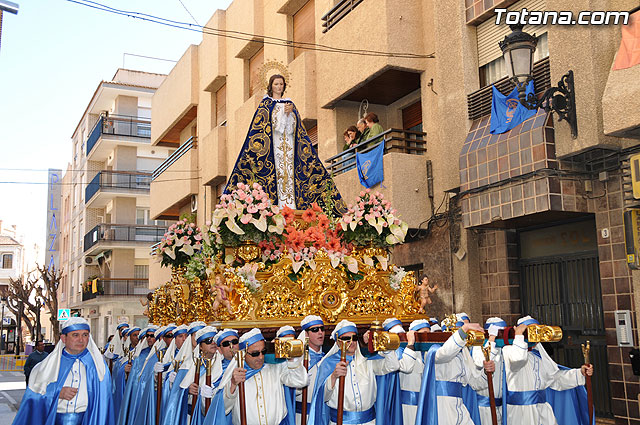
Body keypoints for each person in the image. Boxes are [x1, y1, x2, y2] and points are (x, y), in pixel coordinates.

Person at [223, 73, 346, 215]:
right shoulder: (265, 104)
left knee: (290, 173)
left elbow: (297, 128)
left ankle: (292, 205)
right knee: (277, 174)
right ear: (271, 86)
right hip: (273, 148)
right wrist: (281, 114)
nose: (279, 87)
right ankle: (277, 205)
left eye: (281, 84)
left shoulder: (290, 104)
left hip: (290, 147)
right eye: (276, 84)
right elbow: (266, 126)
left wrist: (290, 114)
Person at [12, 317, 114, 425]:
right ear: (63, 338)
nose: (81, 339)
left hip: (88, 420)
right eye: (75, 335)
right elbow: (32, 398)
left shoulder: (99, 367)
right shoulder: (46, 367)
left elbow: (105, 400)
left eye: (85, 335)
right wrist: (57, 392)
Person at [501, 316, 594, 425]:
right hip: (521, 413)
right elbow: (518, 360)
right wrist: (519, 335)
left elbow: (555, 379)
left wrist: (580, 373)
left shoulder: (539, 355)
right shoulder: (509, 351)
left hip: (543, 410)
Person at [308, 319, 400, 425]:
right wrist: (334, 376)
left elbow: (394, 366)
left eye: (354, 338)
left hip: (369, 422)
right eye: (346, 339)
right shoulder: (327, 364)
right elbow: (321, 398)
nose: (351, 342)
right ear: (338, 342)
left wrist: (383, 344)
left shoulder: (367, 360)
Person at [414, 320, 494, 425]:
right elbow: (446, 353)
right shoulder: (433, 351)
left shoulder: (463, 351)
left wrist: (486, 371)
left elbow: (475, 382)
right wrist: (463, 330)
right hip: (441, 408)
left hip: (459, 405)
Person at [224, 328, 308, 425]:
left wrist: (292, 359)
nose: (260, 357)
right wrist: (233, 384)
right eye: (255, 353)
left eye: (263, 352)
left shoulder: (275, 367)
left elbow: (301, 381)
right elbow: (224, 408)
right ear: (243, 354)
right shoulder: (235, 374)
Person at [471, 317, 506, 425]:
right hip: (484, 409)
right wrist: (492, 339)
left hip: (502, 406)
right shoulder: (479, 346)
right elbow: (480, 360)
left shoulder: (504, 348)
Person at [295, 315, 326, 425]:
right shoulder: (298, 360)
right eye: (315, 330)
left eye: (322, 329)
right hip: (302, 416)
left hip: (324, 414)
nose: (320, 332)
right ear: (306, 334)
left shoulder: (328, 359)